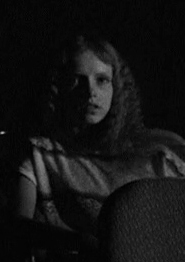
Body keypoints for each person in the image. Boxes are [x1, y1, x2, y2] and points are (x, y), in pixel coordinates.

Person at [13, 32, 185, 239]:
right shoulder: (41, 154)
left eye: (102, 80)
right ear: (59, 87)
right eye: (76, 80)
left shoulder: (157, 153)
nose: (90, 92)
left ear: (117, 87)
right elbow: (18, 229)